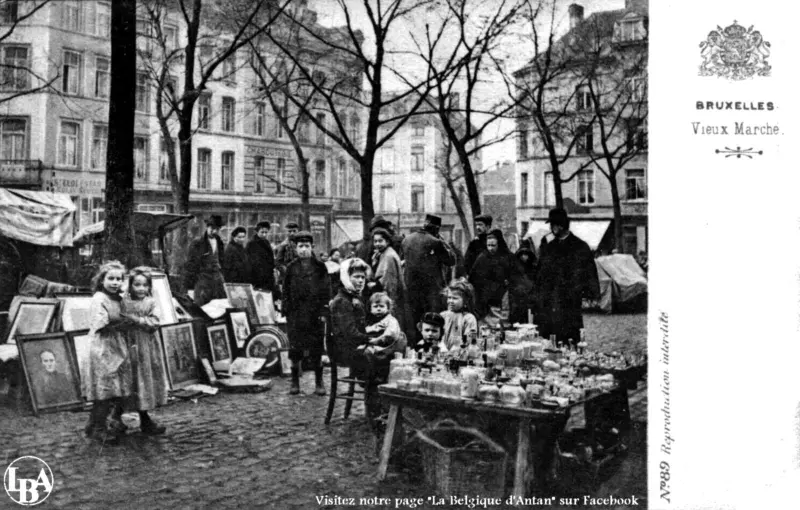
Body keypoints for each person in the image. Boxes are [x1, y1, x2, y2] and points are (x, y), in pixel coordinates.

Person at [84, 261, 135, 444]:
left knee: (118, 387)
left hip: (117, 345)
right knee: (104, 388)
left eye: (119, 279)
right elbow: (101, 324)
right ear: (102, 280)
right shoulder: (99, 298)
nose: (115, 282)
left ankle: (97, 423)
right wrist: (127, 323)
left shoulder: (118, 299)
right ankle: (98, 427)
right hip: (103, 346)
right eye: (111, 278)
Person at [535, 208, 600, 348]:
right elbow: (540, 272)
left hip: (570, 299)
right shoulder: (549, 247)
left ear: (562, 225)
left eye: (553, 225)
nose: (551, 228)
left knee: (570, 334)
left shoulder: (580, 247)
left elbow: (590, 271)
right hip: (550, 299)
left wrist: (590, 293)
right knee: (550, 335)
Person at [121, 267, 168, 435]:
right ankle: (119, 418)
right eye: (136, 284)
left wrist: (138, 320)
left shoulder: (151, 303)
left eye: (144, 285)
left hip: (146, 346)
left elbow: (155, 321)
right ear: (130, 285)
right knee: (129, 380)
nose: (141, 288)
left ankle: (145, 418)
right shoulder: (124, 302)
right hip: (127, 344)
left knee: (144, 379)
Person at [282, 231, 330, 396]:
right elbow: (286, 291)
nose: (303, 250)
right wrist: (286, 310)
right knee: (295, 348)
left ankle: (319, 382)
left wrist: (324, 311)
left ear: (312, 247)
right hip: (296, 314)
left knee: (316, 348)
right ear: (296, 248)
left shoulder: (320, 267)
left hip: (314, 314)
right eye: (300, 246)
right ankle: (295, 382)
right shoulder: (291, 268)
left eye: (306, 246)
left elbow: (326, 291)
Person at [402, 214, 455, 342]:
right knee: (431, 324)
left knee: (415, 323)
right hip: (431, 292)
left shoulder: (406, 240)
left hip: (410, 290)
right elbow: (451, 260)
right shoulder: (435, 242)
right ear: (437, 229)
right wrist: (443, 242)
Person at [369, 227, 409, 334]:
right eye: (375, 241)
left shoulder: (388, 256)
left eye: (380, 241)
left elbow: (388, 282)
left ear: (387, 241)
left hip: (390, 296)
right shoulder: (384, 253)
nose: (377, 244)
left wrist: (373, 285)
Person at [359, 293, 406, 382]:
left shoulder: (391, 320)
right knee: (360, 353)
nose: (379, 309)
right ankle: (366, 376)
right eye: (375, 307)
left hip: (387, 347)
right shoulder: (370, 320)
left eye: (382, 306)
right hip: (374, 345)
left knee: (368, 353)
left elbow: (390, 335)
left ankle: (376, 377)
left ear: (388, 308)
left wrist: (375, 341)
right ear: (370, 309)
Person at [184, 216, 226, 306]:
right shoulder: (198, 242)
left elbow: (222, 260)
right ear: (207, 227)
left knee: (219, 305)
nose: (214, 231)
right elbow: (191, 264)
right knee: (202, 306)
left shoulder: (220, 242)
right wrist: (191, 284)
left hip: (217, 279)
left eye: (217, 229)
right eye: (212, 228)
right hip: (203, 279)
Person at [439, 279, 478, 351]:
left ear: (465, 300)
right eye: (449, 297)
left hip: (459, 354)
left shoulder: (468, 318)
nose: (450, 301)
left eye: (455, 298)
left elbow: (469, 342)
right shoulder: (442, 315)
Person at [246, 221, 276, 294]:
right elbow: (253, 262)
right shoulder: (252, 243)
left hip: (267, 275)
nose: (264, 234)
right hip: (257, 277)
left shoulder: (266, 241)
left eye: (266, 232)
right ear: (257, 231)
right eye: (262, 232)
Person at [511, 246, 538, 324]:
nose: (524, 257)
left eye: (526, 254)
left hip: (531, 300)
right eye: (522, 254)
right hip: (518, 300)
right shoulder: (514, 269)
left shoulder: (534, 269)